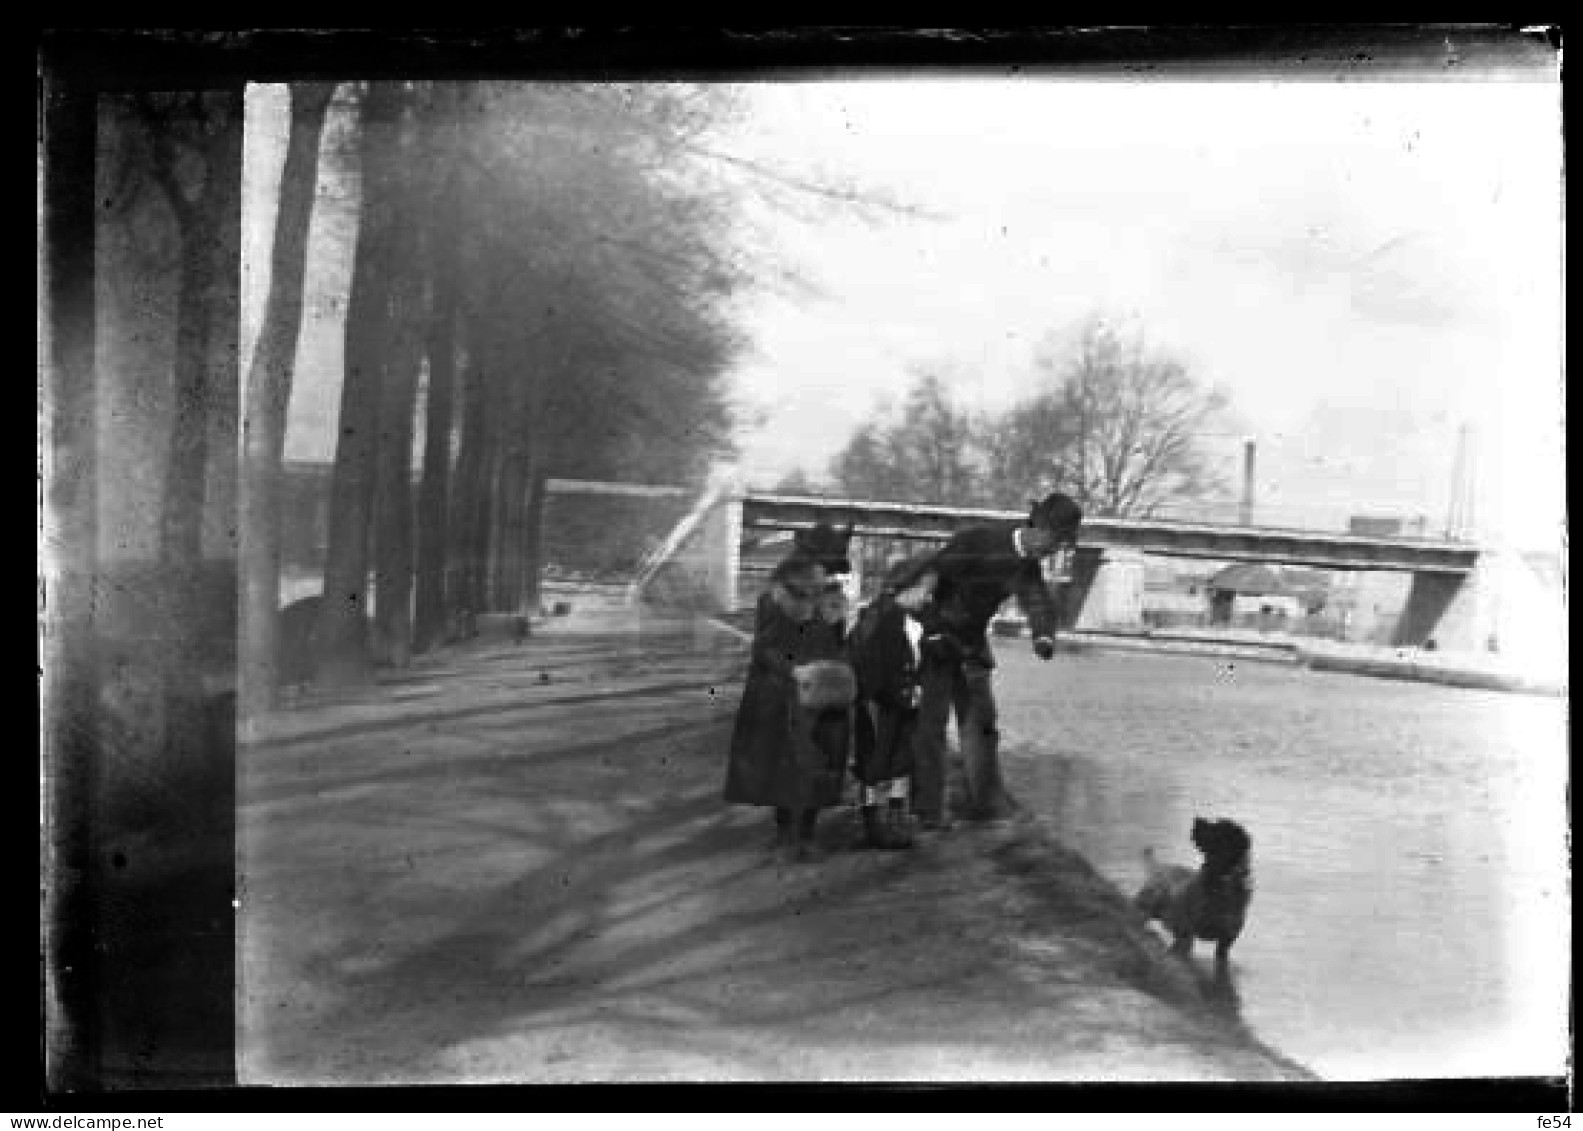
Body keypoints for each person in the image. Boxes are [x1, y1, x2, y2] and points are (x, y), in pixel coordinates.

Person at [911, 491, 1083, 828]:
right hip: (934, 637)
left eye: (1062, 544)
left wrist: (1043, 636)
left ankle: (984, 808)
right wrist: (929, 623)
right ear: (1037, 526)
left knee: (981, 725)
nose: (1054, 550)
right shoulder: (980, 540)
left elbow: (1038, 602)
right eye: (1055, 540)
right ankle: (926, 810)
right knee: (929, 726)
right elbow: (933, 575)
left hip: (971, 643)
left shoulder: (1027, 568)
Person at [722, 525, 856, 861]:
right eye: (826, 567)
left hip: (822, 692)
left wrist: (837, 674)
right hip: (784, 691)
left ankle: (807, 835)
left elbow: (837, 643)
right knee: (784, 763)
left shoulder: (833, 597)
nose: (829, 574)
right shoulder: (778, 595)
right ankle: (785, 835)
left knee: (820, 761)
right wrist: (793, 672)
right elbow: (764, 648)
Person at [848, 554, 938, 850]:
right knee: (874, 760)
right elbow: (870, 665)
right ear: (908, 588)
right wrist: (899, 690)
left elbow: (916, 657)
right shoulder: (880, 617)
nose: (928, 599)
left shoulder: (915, 620)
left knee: (902, 759)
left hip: (904, 703)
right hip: (879, 704)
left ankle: (896, 817)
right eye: (926, 592)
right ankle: (874, 824)